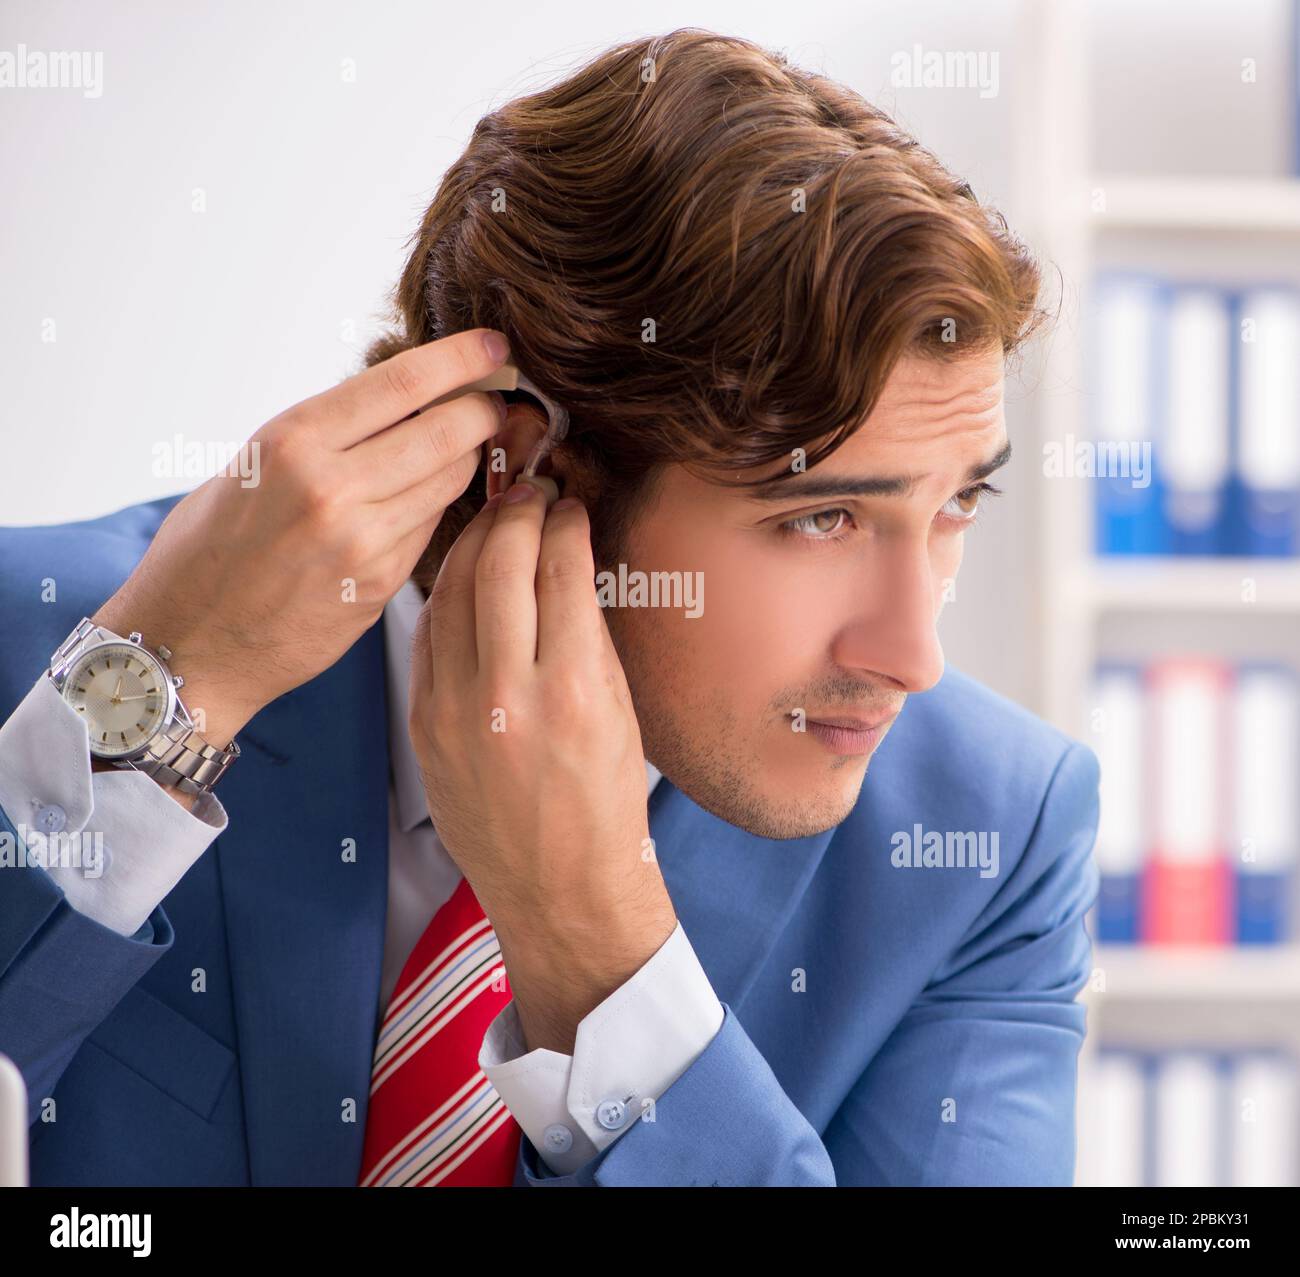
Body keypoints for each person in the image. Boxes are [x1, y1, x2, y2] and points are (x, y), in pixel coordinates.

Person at [0, 28, 1099, 1187]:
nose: (914, 652)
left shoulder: (993, 833)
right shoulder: (40, 642)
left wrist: (603, 954)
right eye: (819, 518)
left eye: (956, 503)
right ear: (525, 462)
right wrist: (145, 722)